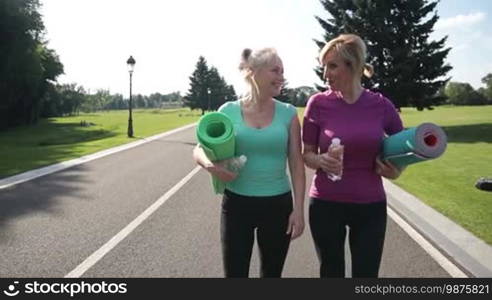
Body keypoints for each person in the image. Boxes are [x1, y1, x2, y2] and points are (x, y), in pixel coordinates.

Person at [193, 47, 305, 277]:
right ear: (253, 72)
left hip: (278, 206)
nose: (281, 76)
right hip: (236, 206)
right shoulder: (228, 111)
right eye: (275, 70)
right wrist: (212, 166)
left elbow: (296, 163)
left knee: (271, 275)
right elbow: (200, 148)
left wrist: (299, 210)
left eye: (283, 71)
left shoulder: (289, 114)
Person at [302, 34, 404, 278]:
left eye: (333, 65)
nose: (326, 74)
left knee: (366, 275)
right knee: (331, 272)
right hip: (326, 203)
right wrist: (320, 160)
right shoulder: (317, 104)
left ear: (354, 65)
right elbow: (307, 154)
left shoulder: (381, 105)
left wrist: (397, 170)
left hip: (370, 206)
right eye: (324, 66)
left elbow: (403, 147)